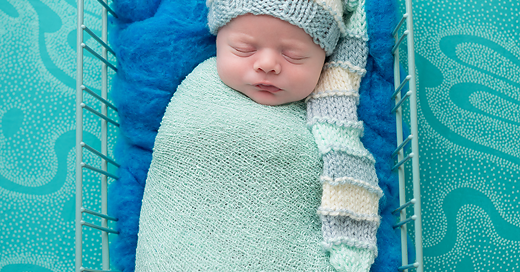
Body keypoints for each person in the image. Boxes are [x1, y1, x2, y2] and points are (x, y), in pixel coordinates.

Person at [135, 1, 381, 271]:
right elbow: (180, 156)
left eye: (294, 55)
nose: (267, 65)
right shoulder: (199, 90)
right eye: (244, 49)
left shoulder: (326, 123)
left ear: (325, 60)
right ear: (218, 40)